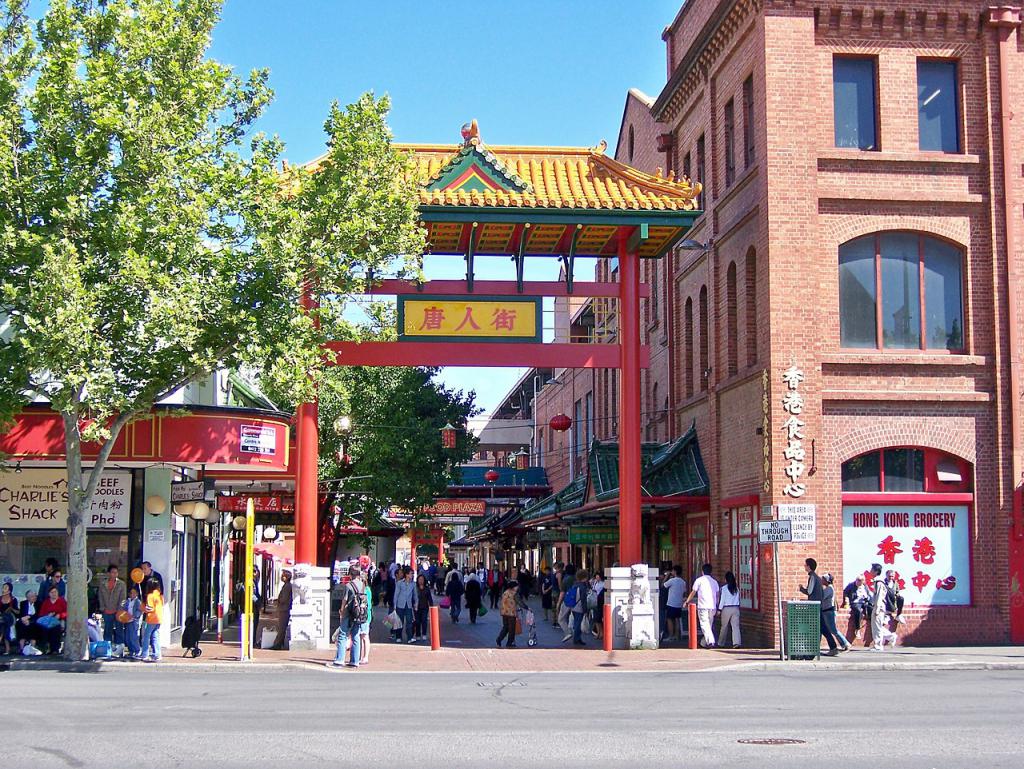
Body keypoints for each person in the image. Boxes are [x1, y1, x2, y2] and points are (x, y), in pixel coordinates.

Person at [798, 557, 837, 656]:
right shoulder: (817, 578)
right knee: (822, 628)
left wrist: (801, 589)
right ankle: (831, 647)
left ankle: (827, 648)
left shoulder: (812, 577)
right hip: (818, 605)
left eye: (805, 565)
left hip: (814, 607)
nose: (804, 566)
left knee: (818, 628)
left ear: (809, 566)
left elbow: (809, 591)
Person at [333, 564, 367, 668]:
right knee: (355, 635)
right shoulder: (362, 585)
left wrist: (342, 610)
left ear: (350, 573)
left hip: (348, 613)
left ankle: (340, 659)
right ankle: (354, 660)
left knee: (343, 635)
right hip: (358, 613)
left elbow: (345, 599)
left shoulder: (348, 585)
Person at [686, 564, 720, 648]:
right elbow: (717, 595)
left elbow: (693, 592)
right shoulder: (714, 582)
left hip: (703, 606)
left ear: (702, 571)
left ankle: (711, 641)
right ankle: (703, 642)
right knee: (709, 625)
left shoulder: (699, 580)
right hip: (713, 606)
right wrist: (717, 605)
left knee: (704, 625)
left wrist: (687, 601)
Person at [97, 564, 126, 647]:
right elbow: (100, 596)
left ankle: (120, 648)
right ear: (109, 573)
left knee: (119, 630)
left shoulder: (121, 584)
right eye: (113, 572)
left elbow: (123, 598)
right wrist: (102, 608)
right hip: (107, 611)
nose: (114, 574)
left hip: (118, 611)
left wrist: (120, 610)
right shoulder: (103, 584)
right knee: (107, 630)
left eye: (116, 572)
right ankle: (107, 648)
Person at [870, 563, 898, 650]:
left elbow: (879, 596)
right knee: (876, 626)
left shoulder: (879, 582)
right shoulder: (877, 581)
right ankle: (890, 637)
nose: (870, 571)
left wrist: (877, 609)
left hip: (879, 606)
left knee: (877, 627)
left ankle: (878, 645)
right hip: (878, 606)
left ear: (876, 571)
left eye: (872, 569)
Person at [820, 573, 850, 652]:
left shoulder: (829, 588)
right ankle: (844, 644)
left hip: (829, 611)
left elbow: (822, 597)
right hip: (826, 611)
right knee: (830, 629)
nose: (821, 580)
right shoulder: (827, 588)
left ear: (826, 580)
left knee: (833, 630)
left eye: (823, 578)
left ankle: (845, 643)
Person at [37, 585, 67, 655]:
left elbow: (67, 612)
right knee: (43, 629)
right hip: (48, 621)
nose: (54, 594)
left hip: (58, 620)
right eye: (52, 592)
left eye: (55, 592)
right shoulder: (46, 602)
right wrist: (48, 616)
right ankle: (45, 647)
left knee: (56, 629)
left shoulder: (62, 601)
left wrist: (60, 615)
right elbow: (41, 614)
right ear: (49, 594)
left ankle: (55, 649)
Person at [841, 574, 871, 642]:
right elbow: (845, 592)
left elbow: (869, 594)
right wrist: (846, 600)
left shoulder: (865, 586)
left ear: (863, 581)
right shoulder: (851, 585)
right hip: (855, 602)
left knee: (871, 609)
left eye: (860, 581)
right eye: (857, 580)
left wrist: (868, 599)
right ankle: (857, 629)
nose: (858, 582)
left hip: (864, 602)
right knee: (858, 611)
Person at [663, 565, 688, 643]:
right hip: (679, 603)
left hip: (671, 603)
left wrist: (667, 576)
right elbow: (684, 592)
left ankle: (671, 636)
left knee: (669, 619)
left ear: (675, 572)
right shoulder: (683, 582)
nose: (672, 572)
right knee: (677, 619)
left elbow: (663, 585)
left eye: (673, 571)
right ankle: (676, 636)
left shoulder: (672, 581)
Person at [270, 570, 293, 651]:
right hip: (284, 609)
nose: (281, 577)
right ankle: (279, 643)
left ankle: (278, 644)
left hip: (284, 609)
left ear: (286, 577)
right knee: (281, 627)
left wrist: (278, 601)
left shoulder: (287, 586)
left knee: (282, 627)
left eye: (283, 575)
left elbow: (284, 598)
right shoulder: (286, 585)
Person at [717, 570, 741, 648]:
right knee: (735, 626)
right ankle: (736, 642)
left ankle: (721, 642)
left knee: (724, 626)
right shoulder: (736, 588)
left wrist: (719, 609)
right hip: (736, 608)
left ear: (726, 579)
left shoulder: (724, 588)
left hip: (726, 608)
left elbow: (722, 600)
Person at [495, 580, 523, 648]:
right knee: (511, 629)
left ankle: (499, 639)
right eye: (516, 586)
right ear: (513, 587)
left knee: (505, 627)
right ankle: (509, 643)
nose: (517, 587)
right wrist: (527, 608)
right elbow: (520, 602)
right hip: (511, 613)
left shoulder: (505, 592)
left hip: (504, 612)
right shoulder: (514, 593)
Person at [392, 568, 417, 643]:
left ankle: (409, 637)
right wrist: (395, 605)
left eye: (412, 574)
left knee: (409, 621)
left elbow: (415, 595)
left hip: (408, 605)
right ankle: (398, 637)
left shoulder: (413, 584)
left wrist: (416, 603)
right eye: (410, 573)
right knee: (400, 621)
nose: (412, 575)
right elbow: (396, 594)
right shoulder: (399, 583)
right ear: (406, 574)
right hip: (400, 604)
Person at [141, 584, 164, 662]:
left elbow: (150, 608)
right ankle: (157, 654)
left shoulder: (150, 596)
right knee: (155, 636)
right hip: (159, 618)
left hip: (151, 618)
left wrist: (143, 607)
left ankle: (145, 654)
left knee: (146, 637)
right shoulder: (160, 595)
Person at [569, 569, 590, 645]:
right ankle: (576, 639)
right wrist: (585, 610)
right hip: (579, 607)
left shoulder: (574, 585)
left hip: (573, 606)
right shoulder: (582, 587)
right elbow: (583, 599)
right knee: (578, 623)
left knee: (576, 623)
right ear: (584, 577)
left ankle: (577, 638)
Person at [122, 586, 143, 658]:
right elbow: (124, 608)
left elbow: (139, 611)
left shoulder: (138, 602)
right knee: (127, 637)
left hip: (134, 622)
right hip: (127, 621)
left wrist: (134, 616)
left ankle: (137, 650)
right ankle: (131, 651)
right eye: (131, 593)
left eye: (134, 593)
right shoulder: (127, 601)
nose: (132, 594)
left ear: (137, 594)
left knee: (134, 637)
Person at [558, 564, 577, 642]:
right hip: (577, 601)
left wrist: (558, 603)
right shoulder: (577, 578)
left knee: (561, 619)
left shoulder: (566, 579)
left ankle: (567, 632)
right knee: (576, 619)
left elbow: (562, 592)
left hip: (567, 600)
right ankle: (577, 636)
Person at [0, 582, 19, 655]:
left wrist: (11, 608)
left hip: (10, 618)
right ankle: (7, 648)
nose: (3, 589)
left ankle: (7, 647)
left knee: (5, 624)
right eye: (3, 587)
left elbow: (18, 612)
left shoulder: (13, 599)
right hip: (1, 618)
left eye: (5, 588)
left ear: (9, 591)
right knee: (3, 626)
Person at [413, 574, 433, 642]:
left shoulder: (427, 589)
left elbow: (429, 598)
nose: (421, 581)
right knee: (417, 621)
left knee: (424, 620)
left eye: (422, 579)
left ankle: (424, 634)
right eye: (419, 579)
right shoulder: (415, 588)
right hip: (416, 607)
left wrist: (431, 606)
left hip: (425, 607)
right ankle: (418, 635)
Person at [358, 574, 373, 665]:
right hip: (365, 615)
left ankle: (365, 657)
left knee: (364, 636)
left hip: (364, 615)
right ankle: (361, 656)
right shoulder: (367, 590)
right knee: (362, 636)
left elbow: (367, 605)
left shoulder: (365, 590)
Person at [589, 572, 605, 639]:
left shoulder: (603, 584)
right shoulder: (595, 582)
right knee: (595, 618)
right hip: (594, 600)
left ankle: (601, 633)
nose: (597, 578)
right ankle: (598, 632)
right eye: (596, 577)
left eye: (598, 577)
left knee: (598, 617)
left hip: (600, 601)